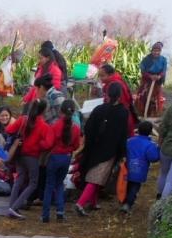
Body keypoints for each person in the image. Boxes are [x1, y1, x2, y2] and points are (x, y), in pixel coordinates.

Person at [75, 82, 131, 216]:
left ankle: (93, 202)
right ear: (119, 96)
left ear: (107, 95)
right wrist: (123, 153)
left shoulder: (99, 109)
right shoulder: (123, 112)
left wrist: (89, 143)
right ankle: (80, 203)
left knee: (97, 176)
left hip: (94, 148)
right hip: (109, 151)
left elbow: (88, 128)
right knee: (97, 179)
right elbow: (123, 134)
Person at [5, 99, 49, 219]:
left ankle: (11, 206)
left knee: (19, 180)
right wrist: (39, 145)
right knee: (33, 183)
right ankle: (15, 207)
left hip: (19, 154)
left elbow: (8, 130)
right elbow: (47, 144)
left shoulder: (23, 119)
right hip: (32, 157)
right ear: (43, 110)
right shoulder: (43, 126)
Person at [42, 100, 82, 223]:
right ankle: (60, 212)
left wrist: (41, 143)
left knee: (49, 186)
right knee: (60, 185)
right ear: (73, 112)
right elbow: (76, 146)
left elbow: (48, 144)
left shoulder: (55, 126)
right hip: (66, 158)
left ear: (60, 111)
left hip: (54, 158)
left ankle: (45, 215)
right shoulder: (76, 128)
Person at [122, 120, 162, 214]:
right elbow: (154, 158)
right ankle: (128, 204)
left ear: (138, 130)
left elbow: (123, 151)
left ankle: (123, 201)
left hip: (127, 168)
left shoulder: (130, 141)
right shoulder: (150, 145)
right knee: (134, 187)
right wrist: (158, 149)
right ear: (150, 132)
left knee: (126, 185)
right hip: (140, 171)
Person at [98, 63, 137, 133]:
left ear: (110, 75)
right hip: (124, 116)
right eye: (99, 76)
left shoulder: (115, 85)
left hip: (121, 119)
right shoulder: (115, 81)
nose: (100, 78)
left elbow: (119, 104)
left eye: (102, 76)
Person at [137, 42, 169, 118]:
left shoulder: (163, 60)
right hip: (147, 79)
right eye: (155, 50)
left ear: (160, 51)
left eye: (158, 51)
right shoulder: (146, 59)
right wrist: (150, 76)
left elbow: (164, 71)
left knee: (155, 98)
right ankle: (142, 112)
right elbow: (143, 70)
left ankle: (154, 114)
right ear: (152, 51)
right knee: (143, 95)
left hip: (157, 80)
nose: (156, 52)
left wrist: (159, 76)